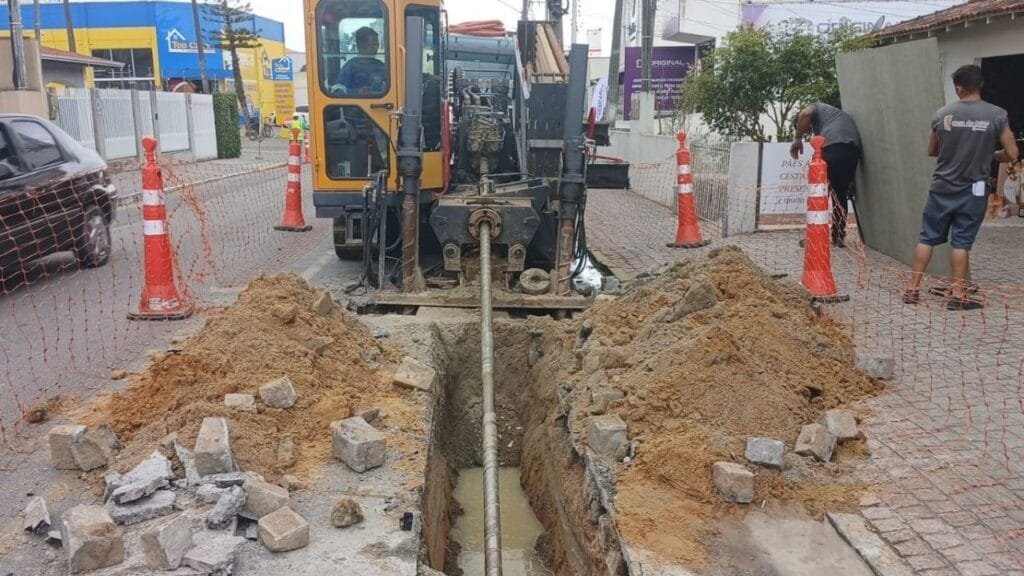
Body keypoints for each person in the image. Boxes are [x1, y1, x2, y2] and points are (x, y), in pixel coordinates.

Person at [903, 64, 1019, 311]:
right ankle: (957, 295)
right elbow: (1012, 153)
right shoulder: (997, 115)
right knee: (961, 243)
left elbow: (931, 150)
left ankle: (912, 290)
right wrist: (993, 155)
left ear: (958, 88)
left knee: (927, 238)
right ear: (980, 85)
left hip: (941, 187)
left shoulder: (942, 114)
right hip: (973, 190)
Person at [791, 102, 863, 247]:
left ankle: (816, 237)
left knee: (819, 193)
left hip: (833, 148)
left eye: (806, 129)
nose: (808, 131)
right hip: (852, 151)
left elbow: (805, 114)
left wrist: (797, 138)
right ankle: (838, 236)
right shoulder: (832, 117)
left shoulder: (816, 107)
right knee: (839, 194)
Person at [335, 27, 386, 94]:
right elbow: (337, 89)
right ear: (360, 46)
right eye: (372, 45)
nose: (375, 48)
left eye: (377, 44)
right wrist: (357, 91)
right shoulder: (350, 66)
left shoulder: (381, 66)